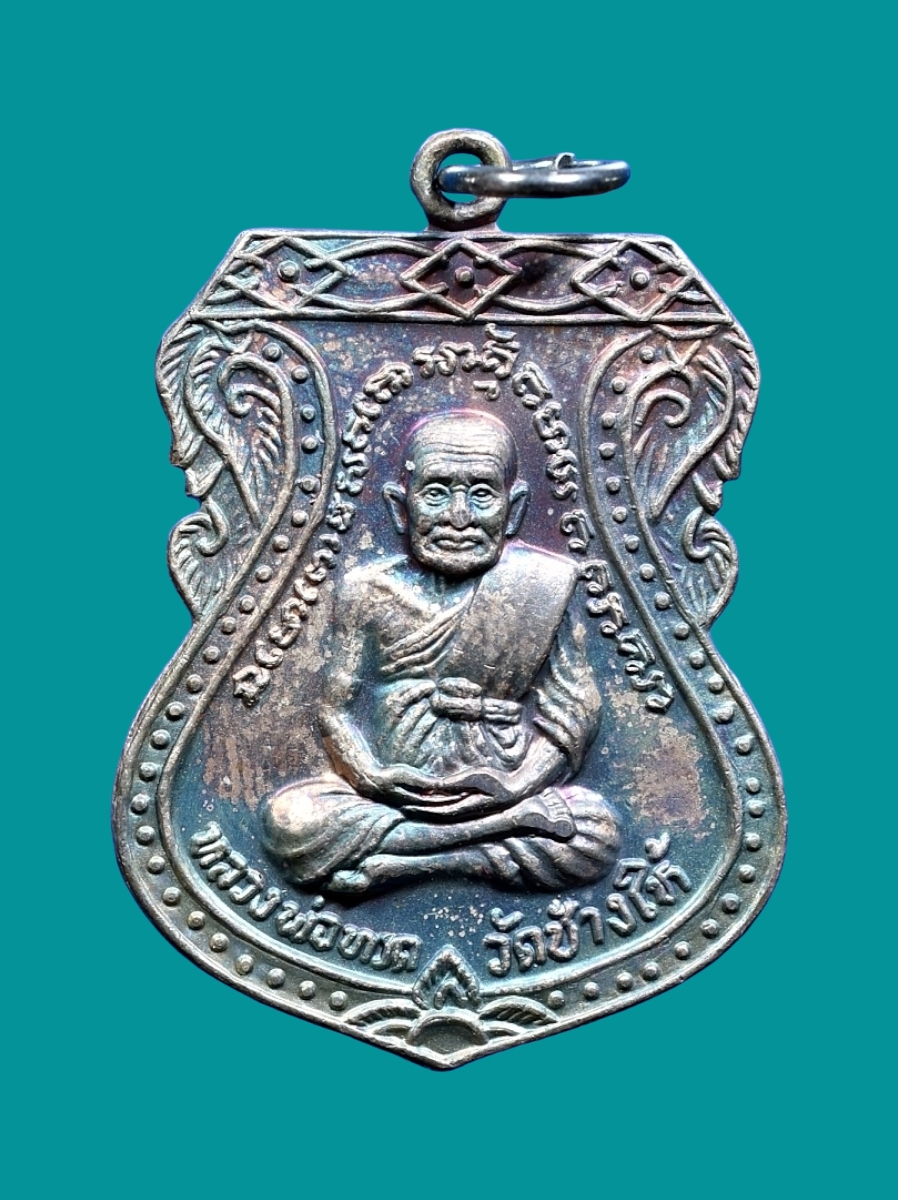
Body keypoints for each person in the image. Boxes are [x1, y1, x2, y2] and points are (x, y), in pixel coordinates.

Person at [260, 409, 620, 893]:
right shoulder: (367, 590)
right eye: (435, 493)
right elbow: (334, 709)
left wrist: (518, 786)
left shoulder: (542, 588)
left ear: (513, 510)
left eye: (481, 494)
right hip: (389, 799)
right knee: (291, 821)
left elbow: (573, 714)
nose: (459, 517)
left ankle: (406, 864)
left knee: (595, 832)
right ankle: (488, 837)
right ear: (400, 507)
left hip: (502, 789)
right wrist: (370, 776)